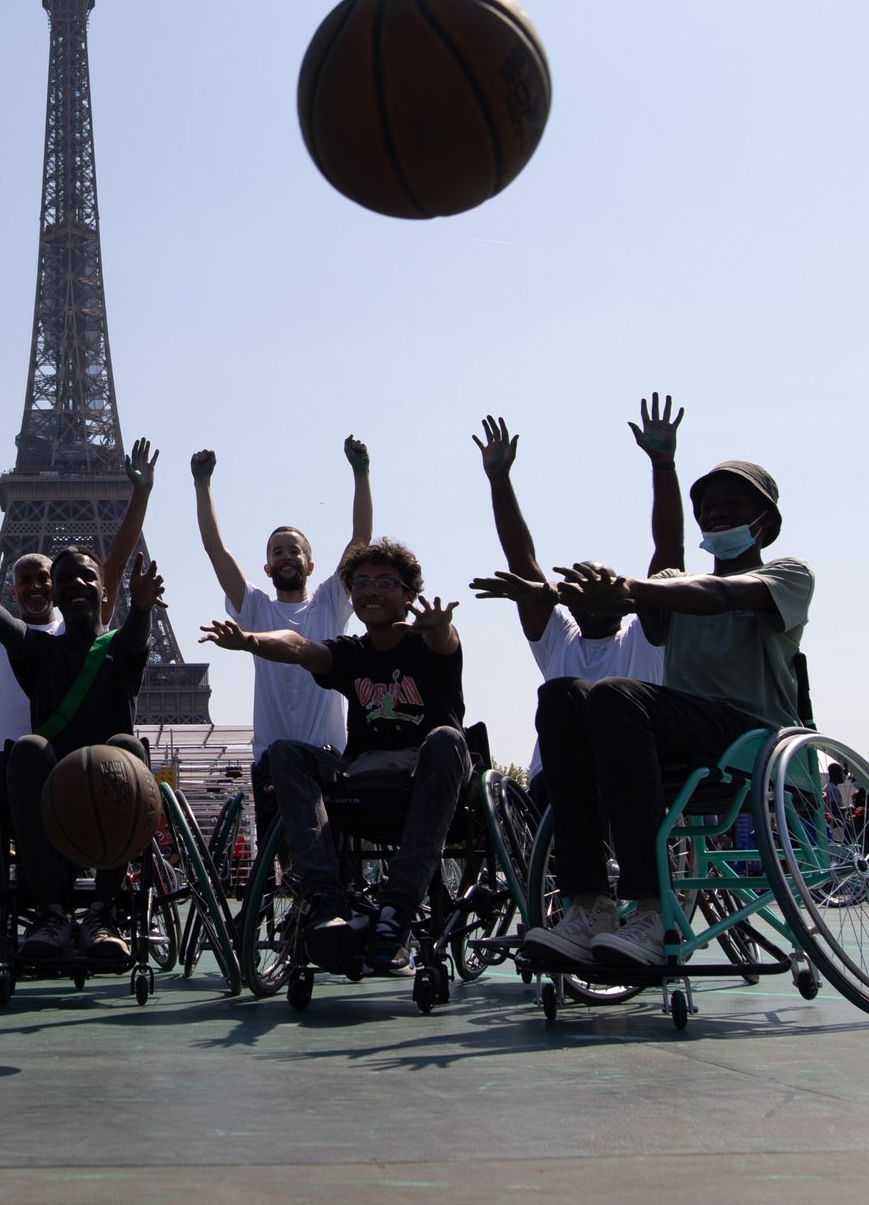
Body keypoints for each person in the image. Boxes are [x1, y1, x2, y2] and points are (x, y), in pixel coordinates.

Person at [521, 458, 813, 969]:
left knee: (615, 694)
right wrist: (559, 592)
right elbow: (666, 566)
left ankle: (653, 910)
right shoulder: (673, 586)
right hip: (680, 738)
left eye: (733, 505)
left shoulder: (788, 575)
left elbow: (719, 592)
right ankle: (589, 904)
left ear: (766, 519)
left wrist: (630, 586)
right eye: (708, 508)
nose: (717, 514)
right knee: (562, 695)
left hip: (752, 735)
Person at [201, 538, 466, 976]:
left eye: (385, 582)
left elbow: (444, 640)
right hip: (365, 777)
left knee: (446, 739)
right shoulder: (351, 653)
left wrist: (438, 626)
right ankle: (325, 899)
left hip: (427, 774)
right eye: (360, 582)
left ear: (409, 595)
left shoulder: (429, 644)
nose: (370, 590)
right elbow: (300, 646)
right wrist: (250, 640)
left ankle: (396, 910)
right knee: (285, 753)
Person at [0, 545, 162, 962]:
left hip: (112, 791)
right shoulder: (41, 652)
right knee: (26, 748)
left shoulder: (120, 649)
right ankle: (50, 911)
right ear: (54, 598)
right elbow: (9, 631)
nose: (78, 584)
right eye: (65, 581)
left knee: (127, 748)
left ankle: (103, 912)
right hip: (54, 794)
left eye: (89, 578)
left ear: (105, 593)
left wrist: (143, 609)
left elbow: (133, 638)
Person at [467, 398, 678, 807]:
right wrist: (499, 481)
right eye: (580, 585)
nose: (592, 593)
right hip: (558, 782)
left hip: (627, 775)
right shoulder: (559, 640)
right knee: (562, 697)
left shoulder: (644, 637)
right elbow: (523, 563)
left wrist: (663, 465)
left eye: (602, 582)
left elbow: (669, 556)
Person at [0, 428, 156, 780]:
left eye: (44, 579)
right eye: (25, 580)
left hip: (67, 758)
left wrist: (140, 494)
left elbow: (113, 564)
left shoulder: (75, 631)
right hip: (10, 761)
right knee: (27, 755)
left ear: (57, 589)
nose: (35, 586)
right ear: (11, 590)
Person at [189, 436, 373, 836]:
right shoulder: (256, 608)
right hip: (271, 758)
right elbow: (216, 551)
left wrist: (361, 474)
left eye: (294, 551)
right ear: (268, 568)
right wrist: (203, 488)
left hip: (327, 756)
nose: (286, 556)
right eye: (277, 552)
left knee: (332, 849)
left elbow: (360, 542)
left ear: (310, 564)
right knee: (286, 855)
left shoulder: (329, 602)